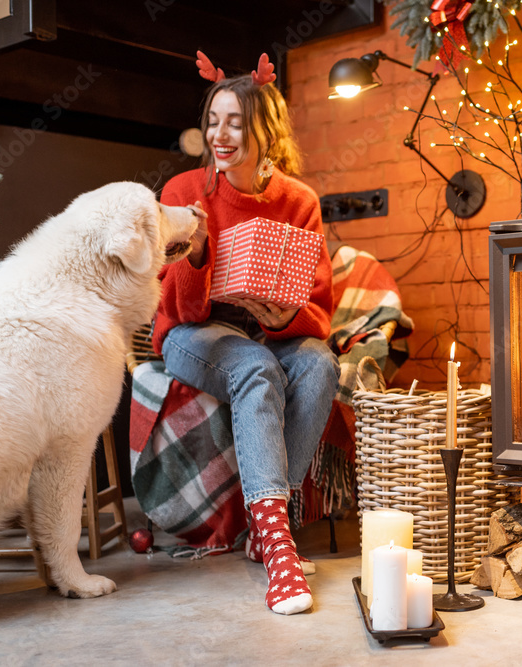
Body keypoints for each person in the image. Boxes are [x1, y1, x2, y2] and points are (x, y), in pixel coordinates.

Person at [153, 51, 339, 616]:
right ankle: (277, 544)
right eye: (214, 120)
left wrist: (285, 318)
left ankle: (263, 532)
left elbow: (319, 312)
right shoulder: (184, 188)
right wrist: (200, 253)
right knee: (254, 367)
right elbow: (177, 308)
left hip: (269, 330)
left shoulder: (298, 201)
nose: (220, 134)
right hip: (193, 333)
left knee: (320, 364)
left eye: (235, 121)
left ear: (267, 129)